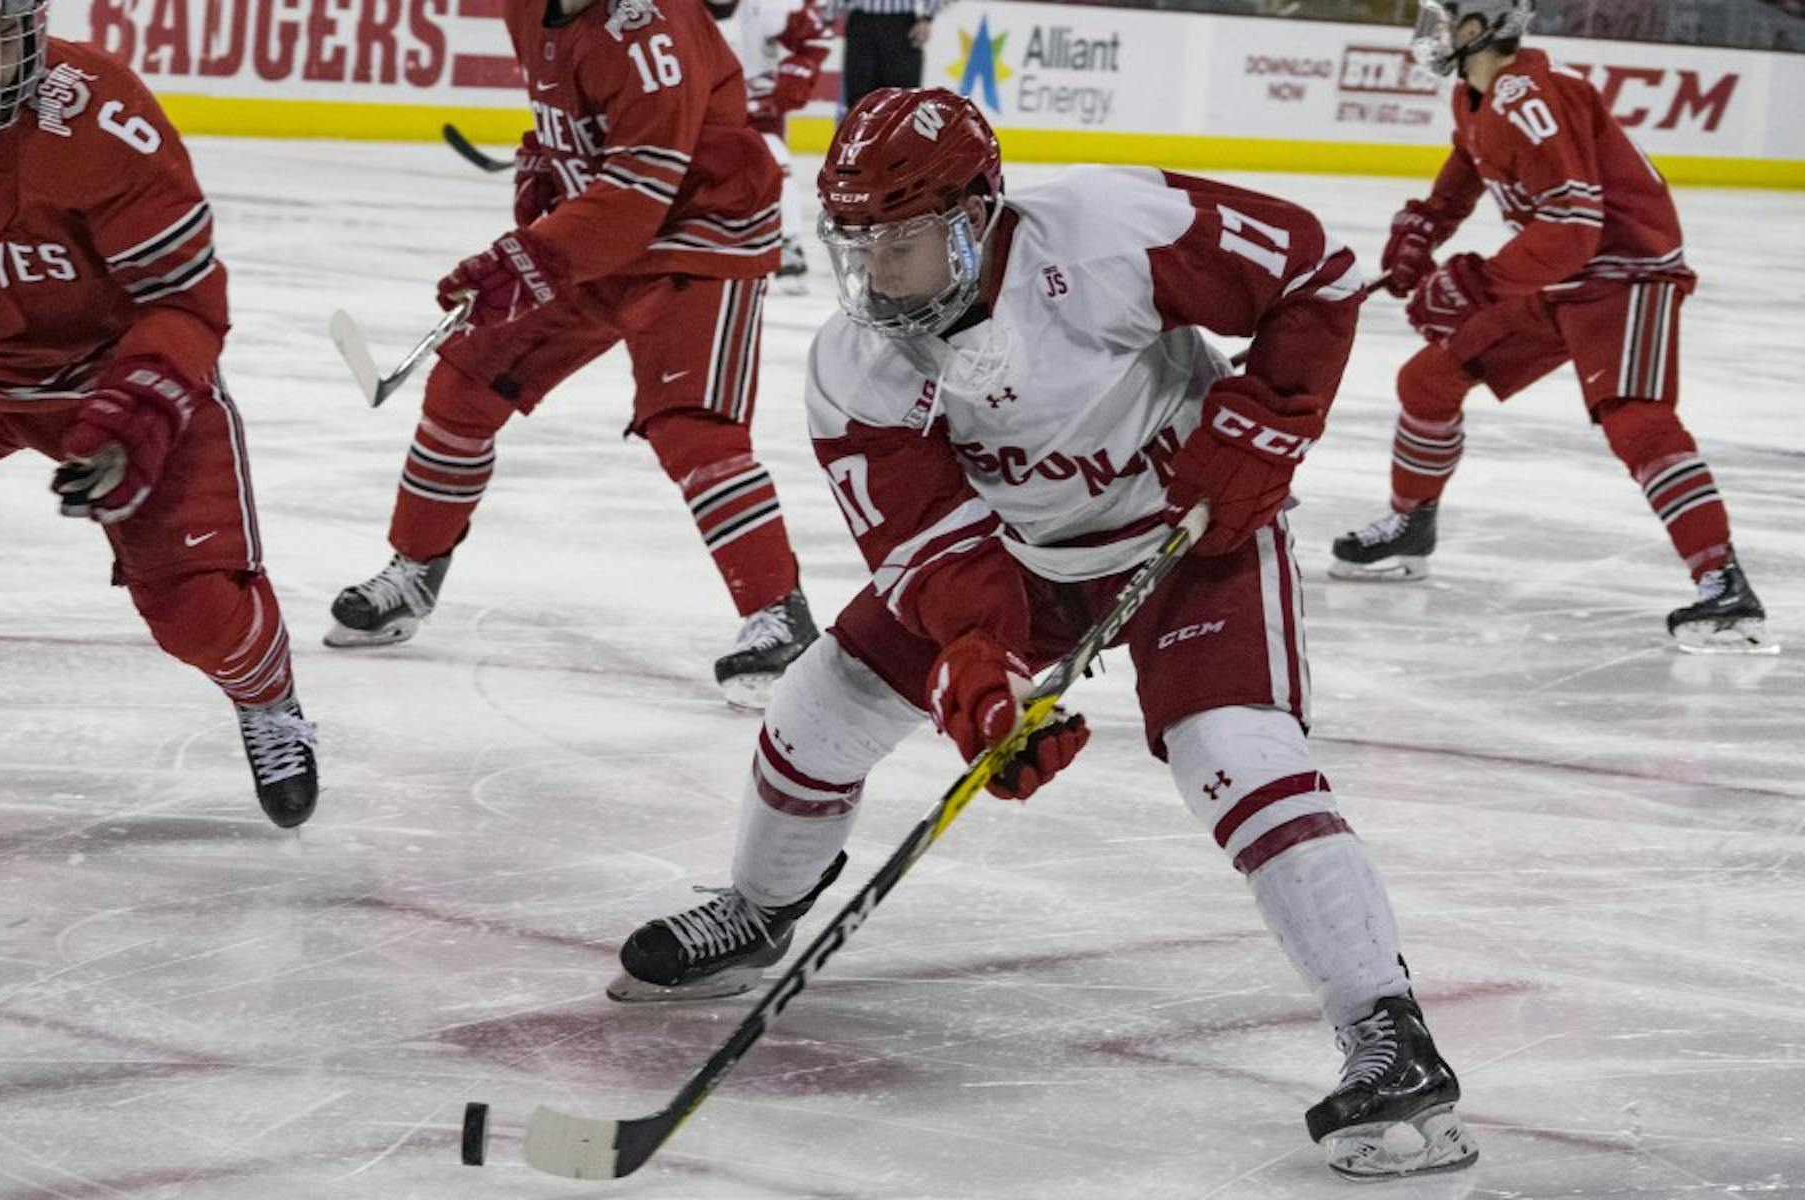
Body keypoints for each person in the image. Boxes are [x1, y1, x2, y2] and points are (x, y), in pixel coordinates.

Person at [607, 88, 1480, 1180]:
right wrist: (983, 675)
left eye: (903, 240)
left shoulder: (1111, 236)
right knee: (817, 706)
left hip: (1189, 528)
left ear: (975, 213)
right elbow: (935, 544)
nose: (875, 273)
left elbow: (1313, 272)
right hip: (1019, 559)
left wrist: (1269, 419)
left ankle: (1385, 1031)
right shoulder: (855, 365)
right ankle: (759, 908)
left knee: (1235, 753)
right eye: (856, 243)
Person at [0, 0, 317, 826]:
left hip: (105, 374)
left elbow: (187, 304)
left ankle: (269, 700)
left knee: (194, 611)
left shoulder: (104, 121)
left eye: (4, 38)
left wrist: (133, 416)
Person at [326, 0, 819, 710]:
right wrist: (546, 163)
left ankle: (782, 614)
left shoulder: (651, 30)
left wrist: (532, 256)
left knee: (690, 425)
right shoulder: (528, 7)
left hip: (698, 235)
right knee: (466, 382)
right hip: (601, 232)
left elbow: (639, 192)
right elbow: (581, 124)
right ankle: (413, 570)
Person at [1329, 0, 1770, 653]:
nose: (1435, 31)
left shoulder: (1526, 94)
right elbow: (1464, 174)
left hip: (1626, 275)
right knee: (1429, 379)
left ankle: (1723, 582)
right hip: (1562, 278)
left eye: (1449, 18)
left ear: (1487, 26)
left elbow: (1571, 227)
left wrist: (1477, 283)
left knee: (1637, 419)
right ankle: (1411, 524)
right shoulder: (1474, 98)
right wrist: (1422, 230)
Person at [705, 0, 835, 292]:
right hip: (698, 116)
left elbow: (815, 36)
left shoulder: (767, 6)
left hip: (755, 118)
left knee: (776, 162)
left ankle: (788, 243)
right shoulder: (677, 11)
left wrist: (799, 71)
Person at [834, 0, 935, 117]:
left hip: (901, 24)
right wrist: (829, 12)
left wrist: (926, 18)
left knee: (902, 98)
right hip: (861, 23)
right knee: (860, 97)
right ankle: (860, 134)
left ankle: (899, 135)